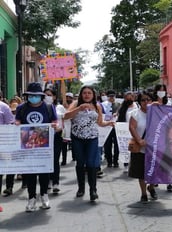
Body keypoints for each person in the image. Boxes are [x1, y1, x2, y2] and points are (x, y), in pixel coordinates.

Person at [63, 86, 115, 202]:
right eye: (84, 93)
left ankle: (93, 190)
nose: (87, 95)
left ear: (93, 95)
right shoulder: (76, 103)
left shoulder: (97, 106)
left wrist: (108, 123)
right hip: (77, 138)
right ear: (81, 94)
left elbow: (100, 122)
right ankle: (81, 188)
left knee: (92, 163)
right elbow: (65, 116)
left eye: (89, 93)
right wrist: (79, 109)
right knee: (80, 162)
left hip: (92, 138)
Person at [15, 82, 59, 212]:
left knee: (44, 171)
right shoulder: (21, 108)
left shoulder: (49, 108)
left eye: (36, 95)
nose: (33, 98)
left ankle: (44, 195)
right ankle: (31, 198)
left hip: (44, 146)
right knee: (30, 173)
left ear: (41, 96)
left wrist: (54, 126)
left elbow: (55, 121)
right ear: (27, 96)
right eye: (31, 95)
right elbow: (17, 121)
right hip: (27, 146)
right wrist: (16, 124)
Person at [128, 92, 157, 203]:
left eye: (148, 99)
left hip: (154, 148)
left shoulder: (157, 113)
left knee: (154, 171)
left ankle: (152, 187)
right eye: (143, 100)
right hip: (141, 147)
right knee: (142, 172)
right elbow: (132, 128)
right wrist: (139, 140)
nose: (146, 102)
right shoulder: (135, 113)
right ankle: (144, 193)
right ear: (139, 102)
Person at [0, 91, 15, 207]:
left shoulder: (4, 107)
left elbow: (10, 123)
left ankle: (9, 186)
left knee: (8, 166)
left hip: (3, 142)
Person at [117, 91, 138, 169]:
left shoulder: (137, 106)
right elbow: (118, 116)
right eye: (127, 98)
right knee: (126, 147)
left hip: (136, 130)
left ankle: (133, 164)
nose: (129, 99)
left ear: (133, 97)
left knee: (135, 147)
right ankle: (126, 164)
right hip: (125, 130)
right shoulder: (122, 107)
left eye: (131, 97)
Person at [102, 90, 121, 168]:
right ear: (107, 97)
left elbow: (121, 114)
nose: (112, 98)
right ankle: (109, 161)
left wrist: (117, 114)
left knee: (117, 145)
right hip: (107, 126)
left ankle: (116, 160)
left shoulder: (118, 104)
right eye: (110, 96)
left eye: (113, 96)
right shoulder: (103, 105)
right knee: (107, 145)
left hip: (116, 127)